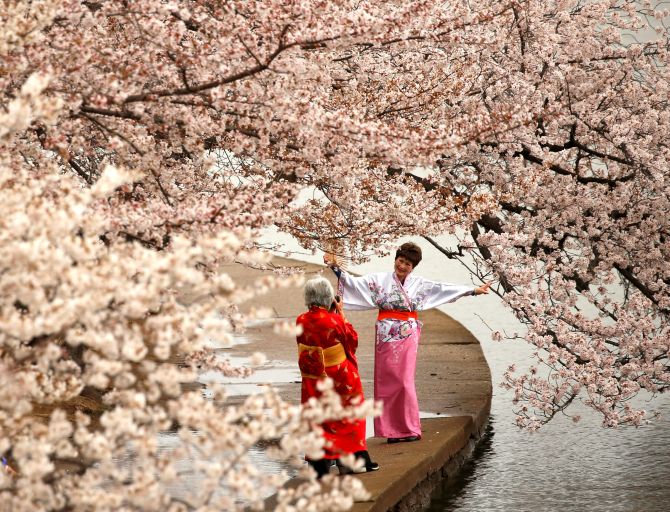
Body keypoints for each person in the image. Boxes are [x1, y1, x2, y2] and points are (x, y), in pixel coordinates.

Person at [325, 242, 490, 443]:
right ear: (395, 259)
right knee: (385, 381)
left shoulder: (418, 284)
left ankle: (409, 428)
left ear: (413, 268)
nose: (402, 266)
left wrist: (472, 290)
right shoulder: (379, 280)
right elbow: (354, 284)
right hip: (386, 333)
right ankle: (390, 431)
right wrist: (334, 267)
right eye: (400, 261)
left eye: (407, 264)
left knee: (404, 380)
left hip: (407, 333)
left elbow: (441, 289)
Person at [296, 276, 379, 478]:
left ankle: (319, 465)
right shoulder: (335, 320)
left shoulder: (301, 319)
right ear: (329, 298)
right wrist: (341, 313)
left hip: (313, 375)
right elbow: (352, 340)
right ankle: (350, 461)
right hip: (338, 375)